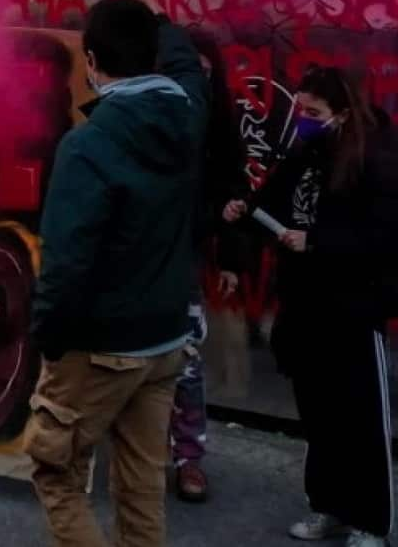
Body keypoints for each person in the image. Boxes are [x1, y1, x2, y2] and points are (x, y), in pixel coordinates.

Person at [25, 0, 206, 547]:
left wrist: (48, 337)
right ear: (152, 57)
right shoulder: (189, 115)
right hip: (165, 339)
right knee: (142, 484)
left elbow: (66, 260)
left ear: (92, 63)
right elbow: (182, 66)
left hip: (102, 347)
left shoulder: (89, 144)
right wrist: (160, 20)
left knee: (57, 472)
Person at [222, 66, 398, 547]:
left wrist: (317, 242)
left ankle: (370, 521)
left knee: (359, 416)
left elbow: (385, 236)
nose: (302, 118)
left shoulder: (376, 159)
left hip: (353, 305)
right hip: (305, 303)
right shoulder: (307, 149)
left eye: (313, 111)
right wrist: (245, 213)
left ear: (342, 113)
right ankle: (329, 508)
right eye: (300, 108)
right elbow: (274, 204)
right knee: (319, 414)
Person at [170, 30, 246, 504]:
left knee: (186, 362)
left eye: (204, 68)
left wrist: (231, 257)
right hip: (146, 252)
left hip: (186, 254)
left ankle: (189, 458)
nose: (198, 77)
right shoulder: (155, 115)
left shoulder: (219, 121)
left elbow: (234, 190)